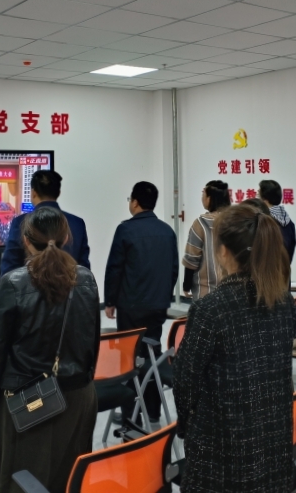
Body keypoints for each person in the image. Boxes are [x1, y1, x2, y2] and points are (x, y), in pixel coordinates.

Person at [174, 204, 296, 492]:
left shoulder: (211, 309)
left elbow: (185, 381)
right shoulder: (283, 302)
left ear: (223, 251)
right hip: (274, 439)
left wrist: (187, 425)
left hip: (221, 444)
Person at [0, 207, 100, 493]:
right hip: (78, 394)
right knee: (69, 475)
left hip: (28, 399)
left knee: (22, 476)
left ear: (25, 240)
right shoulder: (86, 278)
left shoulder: (13, 283)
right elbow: (92, 340)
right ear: (66, 237)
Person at [105, 181, 178, 423]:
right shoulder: (167, 231)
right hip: (158, 305)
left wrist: (110, 301)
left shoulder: (125, 230)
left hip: (131, 306)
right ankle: (153, 411)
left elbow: (115, 268)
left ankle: (131, 415)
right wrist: (163, 295)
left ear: (135, 202)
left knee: (129, 358)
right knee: (153, 355)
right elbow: (173, 270)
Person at [1, 170, 90, 275]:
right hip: (71, 285)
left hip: (30, 285)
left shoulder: (20, 222)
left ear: (33, 193)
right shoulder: (78, 223)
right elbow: (84, 270)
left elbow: (9, 270)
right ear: (58, 193)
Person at [182, 181, 230, 301]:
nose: (202, 197)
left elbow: (192, 258)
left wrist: (186, 285)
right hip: (231, 289)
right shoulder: (235, 221)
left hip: (205, 290)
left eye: (203, 193)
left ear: (210, 198)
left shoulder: (201, 223)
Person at [260, 180, 296, 263]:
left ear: (265, 199)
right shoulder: (289, 222)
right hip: (284, 268)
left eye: (258, 195)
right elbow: (292, 245)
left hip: (266, 269)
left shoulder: (263, 221)